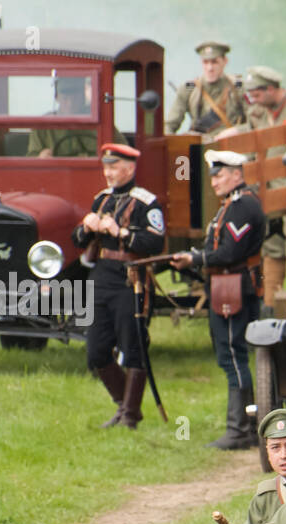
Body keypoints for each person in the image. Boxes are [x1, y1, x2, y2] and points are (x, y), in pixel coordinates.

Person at [170, 151, 265, 449]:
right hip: (229, 286)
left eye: (220, 175)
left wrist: (196, 258)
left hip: (233, 288)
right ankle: (245, 427)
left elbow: (229, 254)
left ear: (237, 175)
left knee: (232, 356)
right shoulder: (234, 204)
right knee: (232, 355)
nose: (214, 183)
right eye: (212, 177)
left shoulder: (242, 206)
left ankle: (239, 430)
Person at [70, 142, 165, 428]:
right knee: (96, 350)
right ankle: (126, 407)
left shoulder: (147, 202)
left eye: (113, 167)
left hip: (130, 278)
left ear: (130, 168)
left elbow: (154, 242)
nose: (108, 173)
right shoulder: (101, 200)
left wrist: (119, 231)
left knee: (132, 344)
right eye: (105, 167)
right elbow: (77, 242)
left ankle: (129, 416)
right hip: (101, 277)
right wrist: (86, 227)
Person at [222, 66, 286, 300]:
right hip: (270, 193)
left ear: (272, 89)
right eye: (250, 94)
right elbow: (254, 136)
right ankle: (272, 306)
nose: (252, 99)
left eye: (256, 93)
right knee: (272, 247)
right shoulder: (258, 111)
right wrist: (231, 132)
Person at [165, 41, 245, 136]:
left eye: (214, 62)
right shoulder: (189, 89)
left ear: (225, 61)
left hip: (231, 146)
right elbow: (170, 125)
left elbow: (255, 123)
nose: (210, 68)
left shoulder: (238, 87)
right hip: (199, 146)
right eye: (205, 62)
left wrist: (236, 131)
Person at [27, 76, 98, 157]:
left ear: (83, 96)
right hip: (55, 169)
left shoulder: (99, 121)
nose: (70, 102)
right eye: (65, 96)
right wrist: (40, 157)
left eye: (75, 96)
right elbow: (31, 157)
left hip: (91, 169)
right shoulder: (42, 126)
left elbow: (113, 150)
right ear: (56, 97)